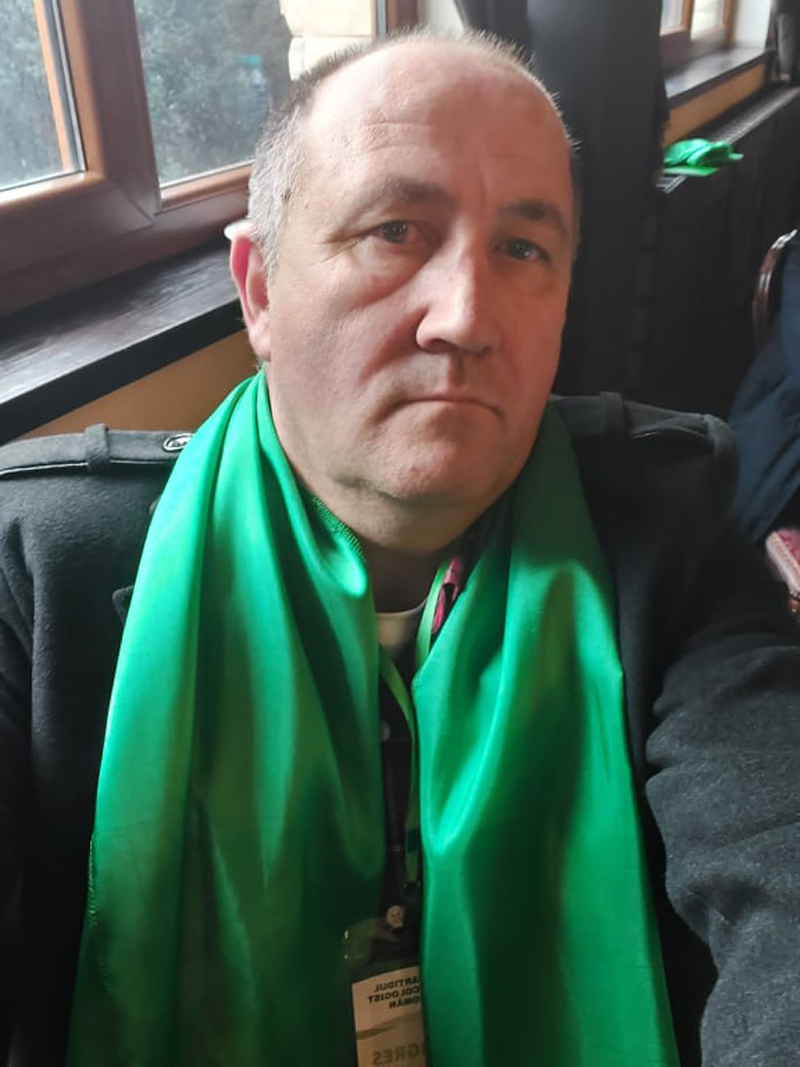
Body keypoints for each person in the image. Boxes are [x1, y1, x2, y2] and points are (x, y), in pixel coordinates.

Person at [1, 28, 799, 1067]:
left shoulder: (671, 525)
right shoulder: (40, 570)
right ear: (260, 291)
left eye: (523, 249)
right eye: (394, 231)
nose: (464, 318)